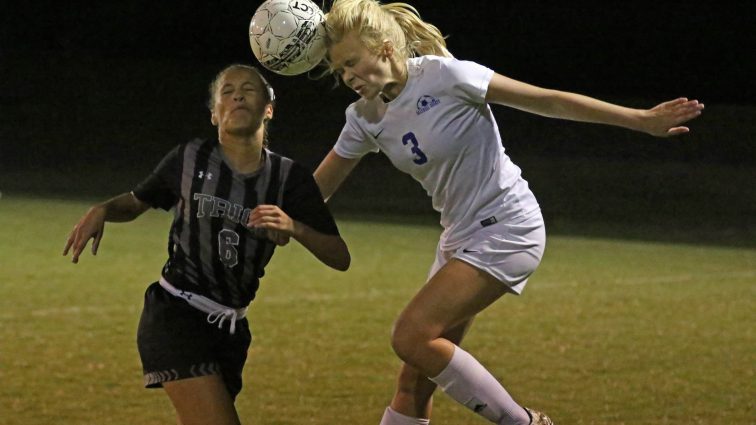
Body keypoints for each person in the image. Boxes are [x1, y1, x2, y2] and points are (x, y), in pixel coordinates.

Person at [313, 1, 704, 424]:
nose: (348, 76)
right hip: (459, 237)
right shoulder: (364, 117)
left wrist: (641, 120)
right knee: (413, 383)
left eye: (352, 62)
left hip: (508, 226)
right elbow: (315, 192)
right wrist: (264, 216)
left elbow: (549, 101)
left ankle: (525, 422)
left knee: (411, 336)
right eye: (340, 71)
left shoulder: (447, 76)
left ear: (386, 48)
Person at [63, 64, 350, 425]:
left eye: (249, 89)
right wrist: (103, 209)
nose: (238, 95)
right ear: (215, 114)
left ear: (269, 108)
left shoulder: (289, 178)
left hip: (231, 329)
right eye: (227, 91)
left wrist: (296, 228)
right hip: (176, 315)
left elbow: (340, 257)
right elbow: (137, 201)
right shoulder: (188, 159)